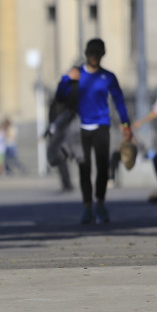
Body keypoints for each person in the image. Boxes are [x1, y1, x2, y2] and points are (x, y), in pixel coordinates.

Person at [56, 38, 132, 224]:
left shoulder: (108, 77)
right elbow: (60, 97)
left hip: (101, 126)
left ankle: (100, 203)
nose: (94, 57)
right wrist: (66, 79)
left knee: (102, 167)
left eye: (98, 53)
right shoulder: (77, 75)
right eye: (91, 53)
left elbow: (119, 101)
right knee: (84, 168)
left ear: (102, 55)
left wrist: (126, 125)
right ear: (86, 54)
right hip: (80, 128)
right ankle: (87, 206)